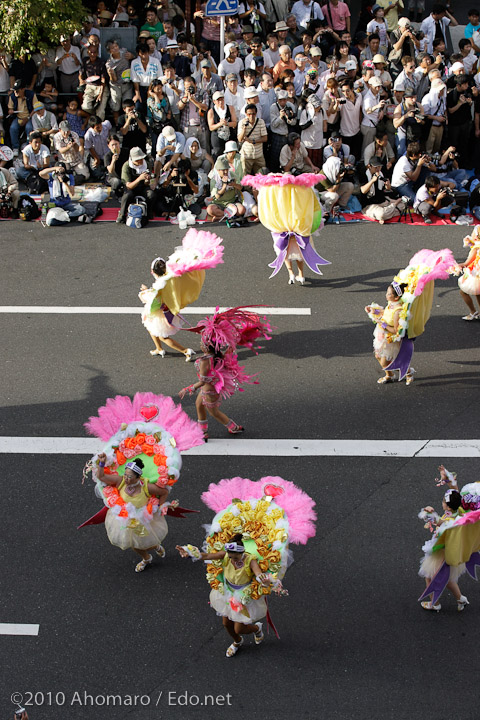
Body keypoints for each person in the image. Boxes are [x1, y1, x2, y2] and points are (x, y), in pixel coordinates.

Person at [176, 475, 315, 656]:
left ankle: (256, 629)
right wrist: (191, 553)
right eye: (230, 556)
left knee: (240, 627)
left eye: (234, 556)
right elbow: (207, 555)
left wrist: (265, 580)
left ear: (241, 553)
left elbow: (258, 574)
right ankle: (237, 642)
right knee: (226, 624)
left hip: (243, 595)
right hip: (227, 591)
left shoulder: (250, 559)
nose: (231, 559)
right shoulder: (226, 554)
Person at [179, 307, 271, 438]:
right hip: (209, 389)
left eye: (202, 342)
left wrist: (189, 388)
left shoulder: (205, 360)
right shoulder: (216, 355)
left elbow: (203, 380)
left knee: (214, 412)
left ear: (206, 346)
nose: (200, 344)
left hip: (208, 390)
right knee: (199, 405)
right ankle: (202, 431)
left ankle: (233, 427)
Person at [418, 489, 468, 612]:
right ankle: (460, 598)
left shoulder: (449, 522)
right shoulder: (458, 513)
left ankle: (435, 604)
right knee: (448, 579)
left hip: (442, 554)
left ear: (449, 507)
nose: (442, 502)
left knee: (429, 576)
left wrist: (428, 512)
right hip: (450, 552)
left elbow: (438, 521)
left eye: (444, 501)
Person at [139, 257, 197, 359]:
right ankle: (159, 349)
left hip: (160, 315)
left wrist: (144, 290)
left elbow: (149, 298)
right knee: (151, 329)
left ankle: (185, 351)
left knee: (163, 337)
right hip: (163, 311)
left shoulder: (159, 285)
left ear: (152, 272)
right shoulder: (169, 280)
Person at [365, 282, 411, 384]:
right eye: (387, 293)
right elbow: (383, 313)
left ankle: (407, 371)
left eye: (389, 294)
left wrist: (383, 324)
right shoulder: (391, 304)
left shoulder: (397, 311)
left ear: (396, 297)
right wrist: (373, 311)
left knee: (385, 362)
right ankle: (389, 375)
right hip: (382, 335)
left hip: (390, 339)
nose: (386, 295)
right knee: (377, 356)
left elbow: (396, 330)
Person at [116, 146, 155, 223]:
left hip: (143, 187)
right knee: (127, 195)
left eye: (141, 158)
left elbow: (148, 184)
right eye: (138, 160)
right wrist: (139, 178)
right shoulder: (126, 166)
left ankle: (149, 211)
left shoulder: (147, 164)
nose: (140, 161)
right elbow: (128, 186)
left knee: (151, 194)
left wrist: (147, 180)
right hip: (131, 188)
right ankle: (122, 214)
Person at [360, 157, 405, 223]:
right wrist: (372, 180)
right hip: (370, 205)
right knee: (381, 214)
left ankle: (385, 214)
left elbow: (386, 191)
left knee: (403, 206)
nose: (378, 169)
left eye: (379, 167)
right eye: (376, 167)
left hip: (383, 201)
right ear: (369, 166)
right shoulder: (364, 174)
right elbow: (363, 191)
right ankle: (390, 210)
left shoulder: (382, 173)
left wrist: (388, 187)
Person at [206, 156, 246, 222]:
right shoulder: (214, 180)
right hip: (218, 203)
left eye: (226, 169)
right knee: (210, 209)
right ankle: (228, 216)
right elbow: (216, 197)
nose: (225, 172)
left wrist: (234, 185)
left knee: (242, 210)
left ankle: (222, 217)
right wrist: (224, 186)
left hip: (231, 202)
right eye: (223, 170)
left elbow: (241, 188)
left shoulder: (233, 175)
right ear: (218, 170)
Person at [455, 225, 480, 320]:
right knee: (478, 293)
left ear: (477, 236)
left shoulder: (476, 248)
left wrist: (456, 266)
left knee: (463, 291)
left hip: (476, 274)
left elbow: (466, 263)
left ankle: (473, 312)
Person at [79, 44, 109, 121]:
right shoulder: (85, 61)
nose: (93, 54)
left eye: (94, 52)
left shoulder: (102, 62)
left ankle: (99, 126)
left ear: (97, 53)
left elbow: (103, 79)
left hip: (101, 86)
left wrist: (100, 94)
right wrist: (81, 81)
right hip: (89, 85)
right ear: (88, 52)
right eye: (91, 52)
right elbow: (81, 74)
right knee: (85, 106)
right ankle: (93, 116)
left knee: (101, 111)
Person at [7, 80, 36, 155]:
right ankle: (15, 147)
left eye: (17, 90)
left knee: (29, 128)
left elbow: (36, 108)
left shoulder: (31, 94)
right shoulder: (13, 96)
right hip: (18, 117)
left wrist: (28, 118)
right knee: (13, 128)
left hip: (29, 116)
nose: (15, 92)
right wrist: (11, 111)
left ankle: (27, 146)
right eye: (14, 90)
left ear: (23, 89)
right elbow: (10, 108)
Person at [393, 89, 425, 156]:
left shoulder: (419, 106)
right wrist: (405, 116)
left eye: (415, 97)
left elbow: (424, 121)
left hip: (414, 133)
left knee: (415, 153)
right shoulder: (399, 108)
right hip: (403, 133)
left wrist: (420, 121)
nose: (414, 100)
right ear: (406, 98)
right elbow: (395, 125)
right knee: (401, 152)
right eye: (411, 98)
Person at [237, 104, 268, 174]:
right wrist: (244, 128)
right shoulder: (241, 123)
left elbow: (265, 138)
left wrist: (253, 141)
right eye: (249, 114)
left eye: (253, 114)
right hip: (246, 155)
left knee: (262, 175)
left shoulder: (261, 122)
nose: (251, 116)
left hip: (258, 155)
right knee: (245, 176)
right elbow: (240, 139)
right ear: (246, 114)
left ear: (256, 113)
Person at [207, 91, 237, 160]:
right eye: (218, 100)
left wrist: (227, 124)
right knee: (218, 157)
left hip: (230, 137)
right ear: (214, 101)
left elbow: (235, 123)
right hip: (217, 140)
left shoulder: (230, 108)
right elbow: (211, 127)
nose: (220, 102)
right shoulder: (211, 112)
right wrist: (220, 124)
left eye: (222, 99)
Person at [361, 76, 385, 151]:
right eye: (376, 87)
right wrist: (377, 106)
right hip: (368, 126)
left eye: (379, 87)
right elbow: (368, 110)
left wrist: (380, 110)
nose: (378, 89)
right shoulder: (368, 98)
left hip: (374, 124)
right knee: (367, 147)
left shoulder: (377, 94)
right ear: (370, 86)